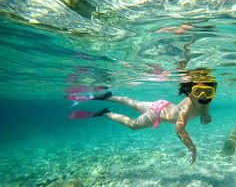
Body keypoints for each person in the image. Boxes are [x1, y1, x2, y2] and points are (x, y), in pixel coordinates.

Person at [68, 69, 217, 163]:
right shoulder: (187, 106)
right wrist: (192, 148)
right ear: (190, 91)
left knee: (135, 103)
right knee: (133, 125)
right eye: (198, 92)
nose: (203, 96)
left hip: (162, 104)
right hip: (158, 113)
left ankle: (108, 97)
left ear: (212, 92)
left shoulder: (205, 102)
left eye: (208, 92)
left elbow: (204, 114)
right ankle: (106, 112)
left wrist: (206, 117)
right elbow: (179, 130)